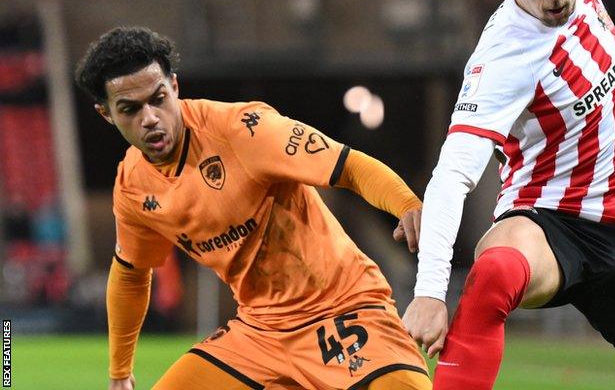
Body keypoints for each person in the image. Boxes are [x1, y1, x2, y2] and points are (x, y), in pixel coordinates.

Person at [402, 0, 615, 389]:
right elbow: (453, 174)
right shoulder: (504, 57)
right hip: (548, 221)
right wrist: (428, 292)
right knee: (495, 272)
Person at [75, 27, 430, 390]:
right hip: (260, 332)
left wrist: (406, 204)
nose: (149, 118)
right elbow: (131, 275)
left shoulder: (244, 130)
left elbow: (349, 167)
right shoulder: (133, 185)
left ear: (175, 88)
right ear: (106, 114)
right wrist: (119, 373)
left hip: (343, 306)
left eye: (158, 98)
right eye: (130, 109)